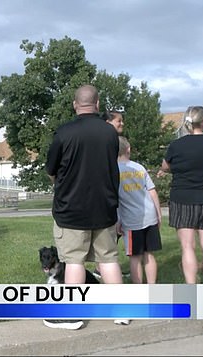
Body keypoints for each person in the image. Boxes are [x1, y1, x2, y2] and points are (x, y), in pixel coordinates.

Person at [44, 84, 123, 330]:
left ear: (74, 104)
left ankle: (73, 314)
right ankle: (122, 312)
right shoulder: (111, 134)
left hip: (71, 209)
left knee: (75, 261)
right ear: (98, 104)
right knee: (109, 259)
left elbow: (51, 171)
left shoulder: (64, 133)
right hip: (105, 208)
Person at [159, 106, 203, 284]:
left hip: (182, 198)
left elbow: (165, 166)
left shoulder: (176, 145)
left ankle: (191, 286)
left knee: (187, 247)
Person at [117, 136, 162, 284]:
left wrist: (117, 220)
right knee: (149, 254)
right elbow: (152, 191)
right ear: (128, 149)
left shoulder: (113, 171)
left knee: (135, 257)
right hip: (149, 216)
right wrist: (158, 213)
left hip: (131, 221)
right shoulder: (139, 167)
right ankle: (152, 287)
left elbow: (114, 199)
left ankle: (139, 289)